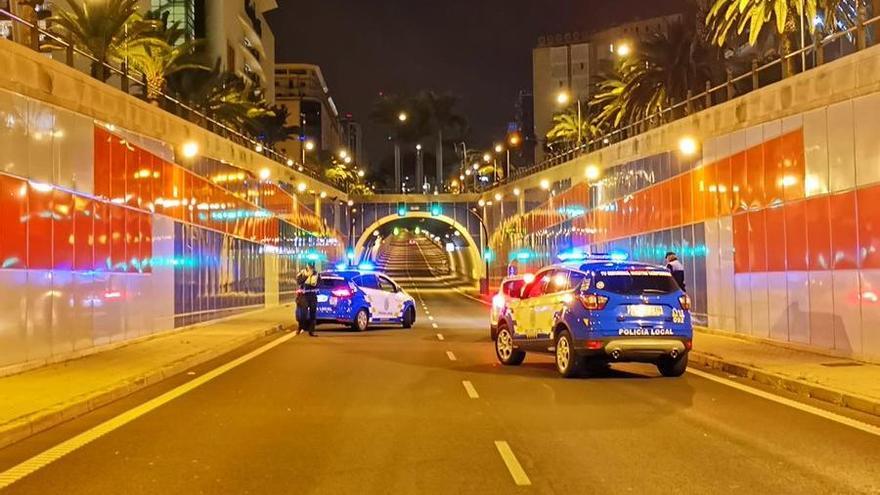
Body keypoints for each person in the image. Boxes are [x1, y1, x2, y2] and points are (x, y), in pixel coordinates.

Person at [296, 261, 321, 337]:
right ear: (307, 265)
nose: (311, 268)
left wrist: (317, 286)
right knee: (303, 314)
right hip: (304, 296)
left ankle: (311, 331)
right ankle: (300, 327)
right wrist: (306, 276)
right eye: (310, 266)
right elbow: (299, 282)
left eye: (312, 267)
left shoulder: (316, 274)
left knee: (313, 314)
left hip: (312, 295)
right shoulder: (302, 273)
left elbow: (320, 283)